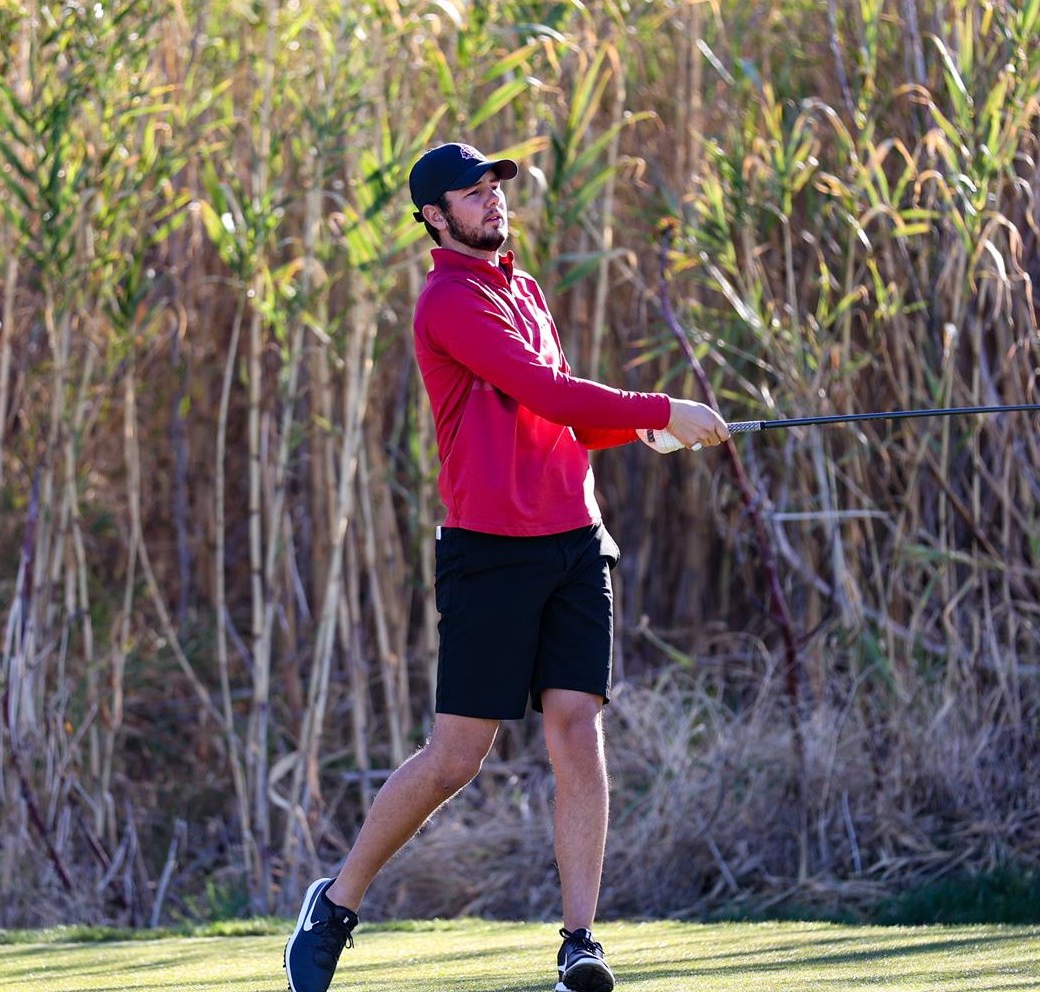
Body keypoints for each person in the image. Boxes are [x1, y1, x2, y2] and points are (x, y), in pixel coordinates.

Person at [284, 142, 729, 992]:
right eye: (472, 191)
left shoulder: (522, 289)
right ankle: (335, 903)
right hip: (490, 550)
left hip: (574, 539)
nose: (491, 200)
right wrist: (662, 405)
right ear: (432, 216)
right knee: (457, 757)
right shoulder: (446, 302)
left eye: (494, 187)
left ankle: (578, 943)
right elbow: (546, 391)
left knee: (576, 730)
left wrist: (642, 431)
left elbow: (562, 417)